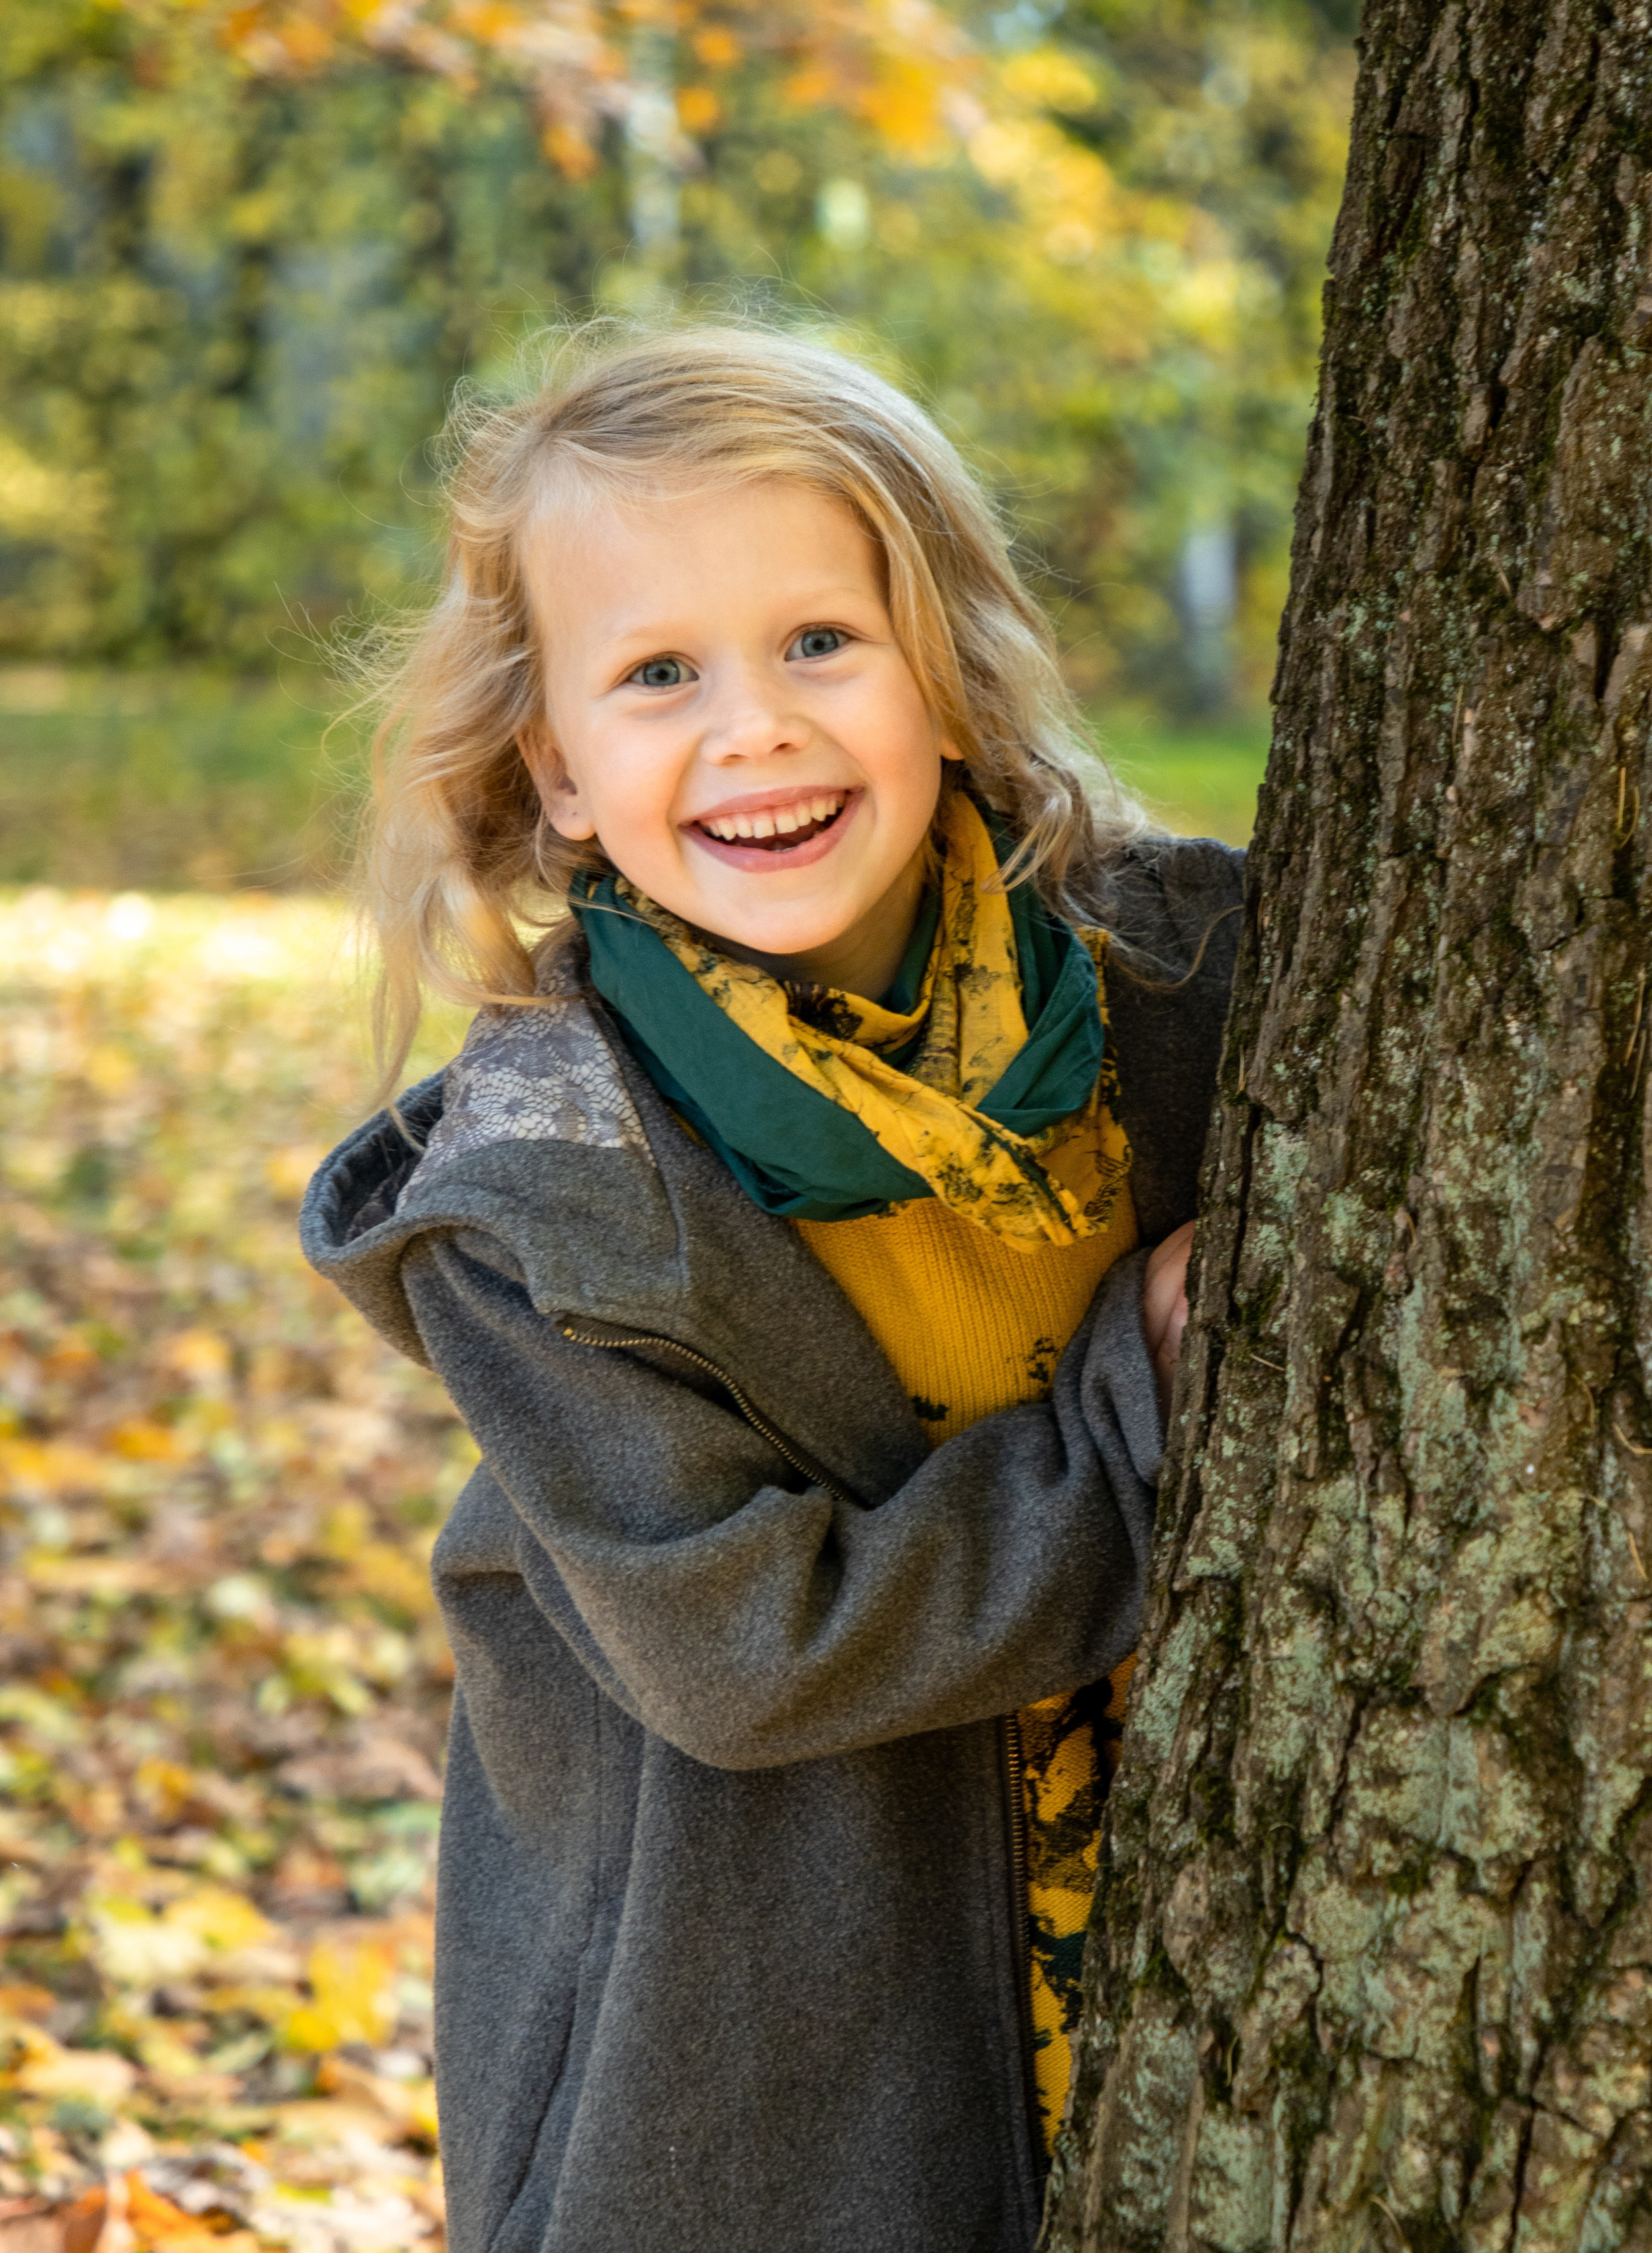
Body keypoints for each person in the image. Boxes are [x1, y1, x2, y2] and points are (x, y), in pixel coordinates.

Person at [301, 321, 1243, 2253]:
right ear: (557, 767)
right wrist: (1137, 1416)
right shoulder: (543, 1191)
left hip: (1164, 1948)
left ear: (949, 677)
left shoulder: (1175, 983)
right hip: (751, 2069)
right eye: (658, 676)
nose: (756, 728)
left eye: (823, 641)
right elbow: (748, 1646)